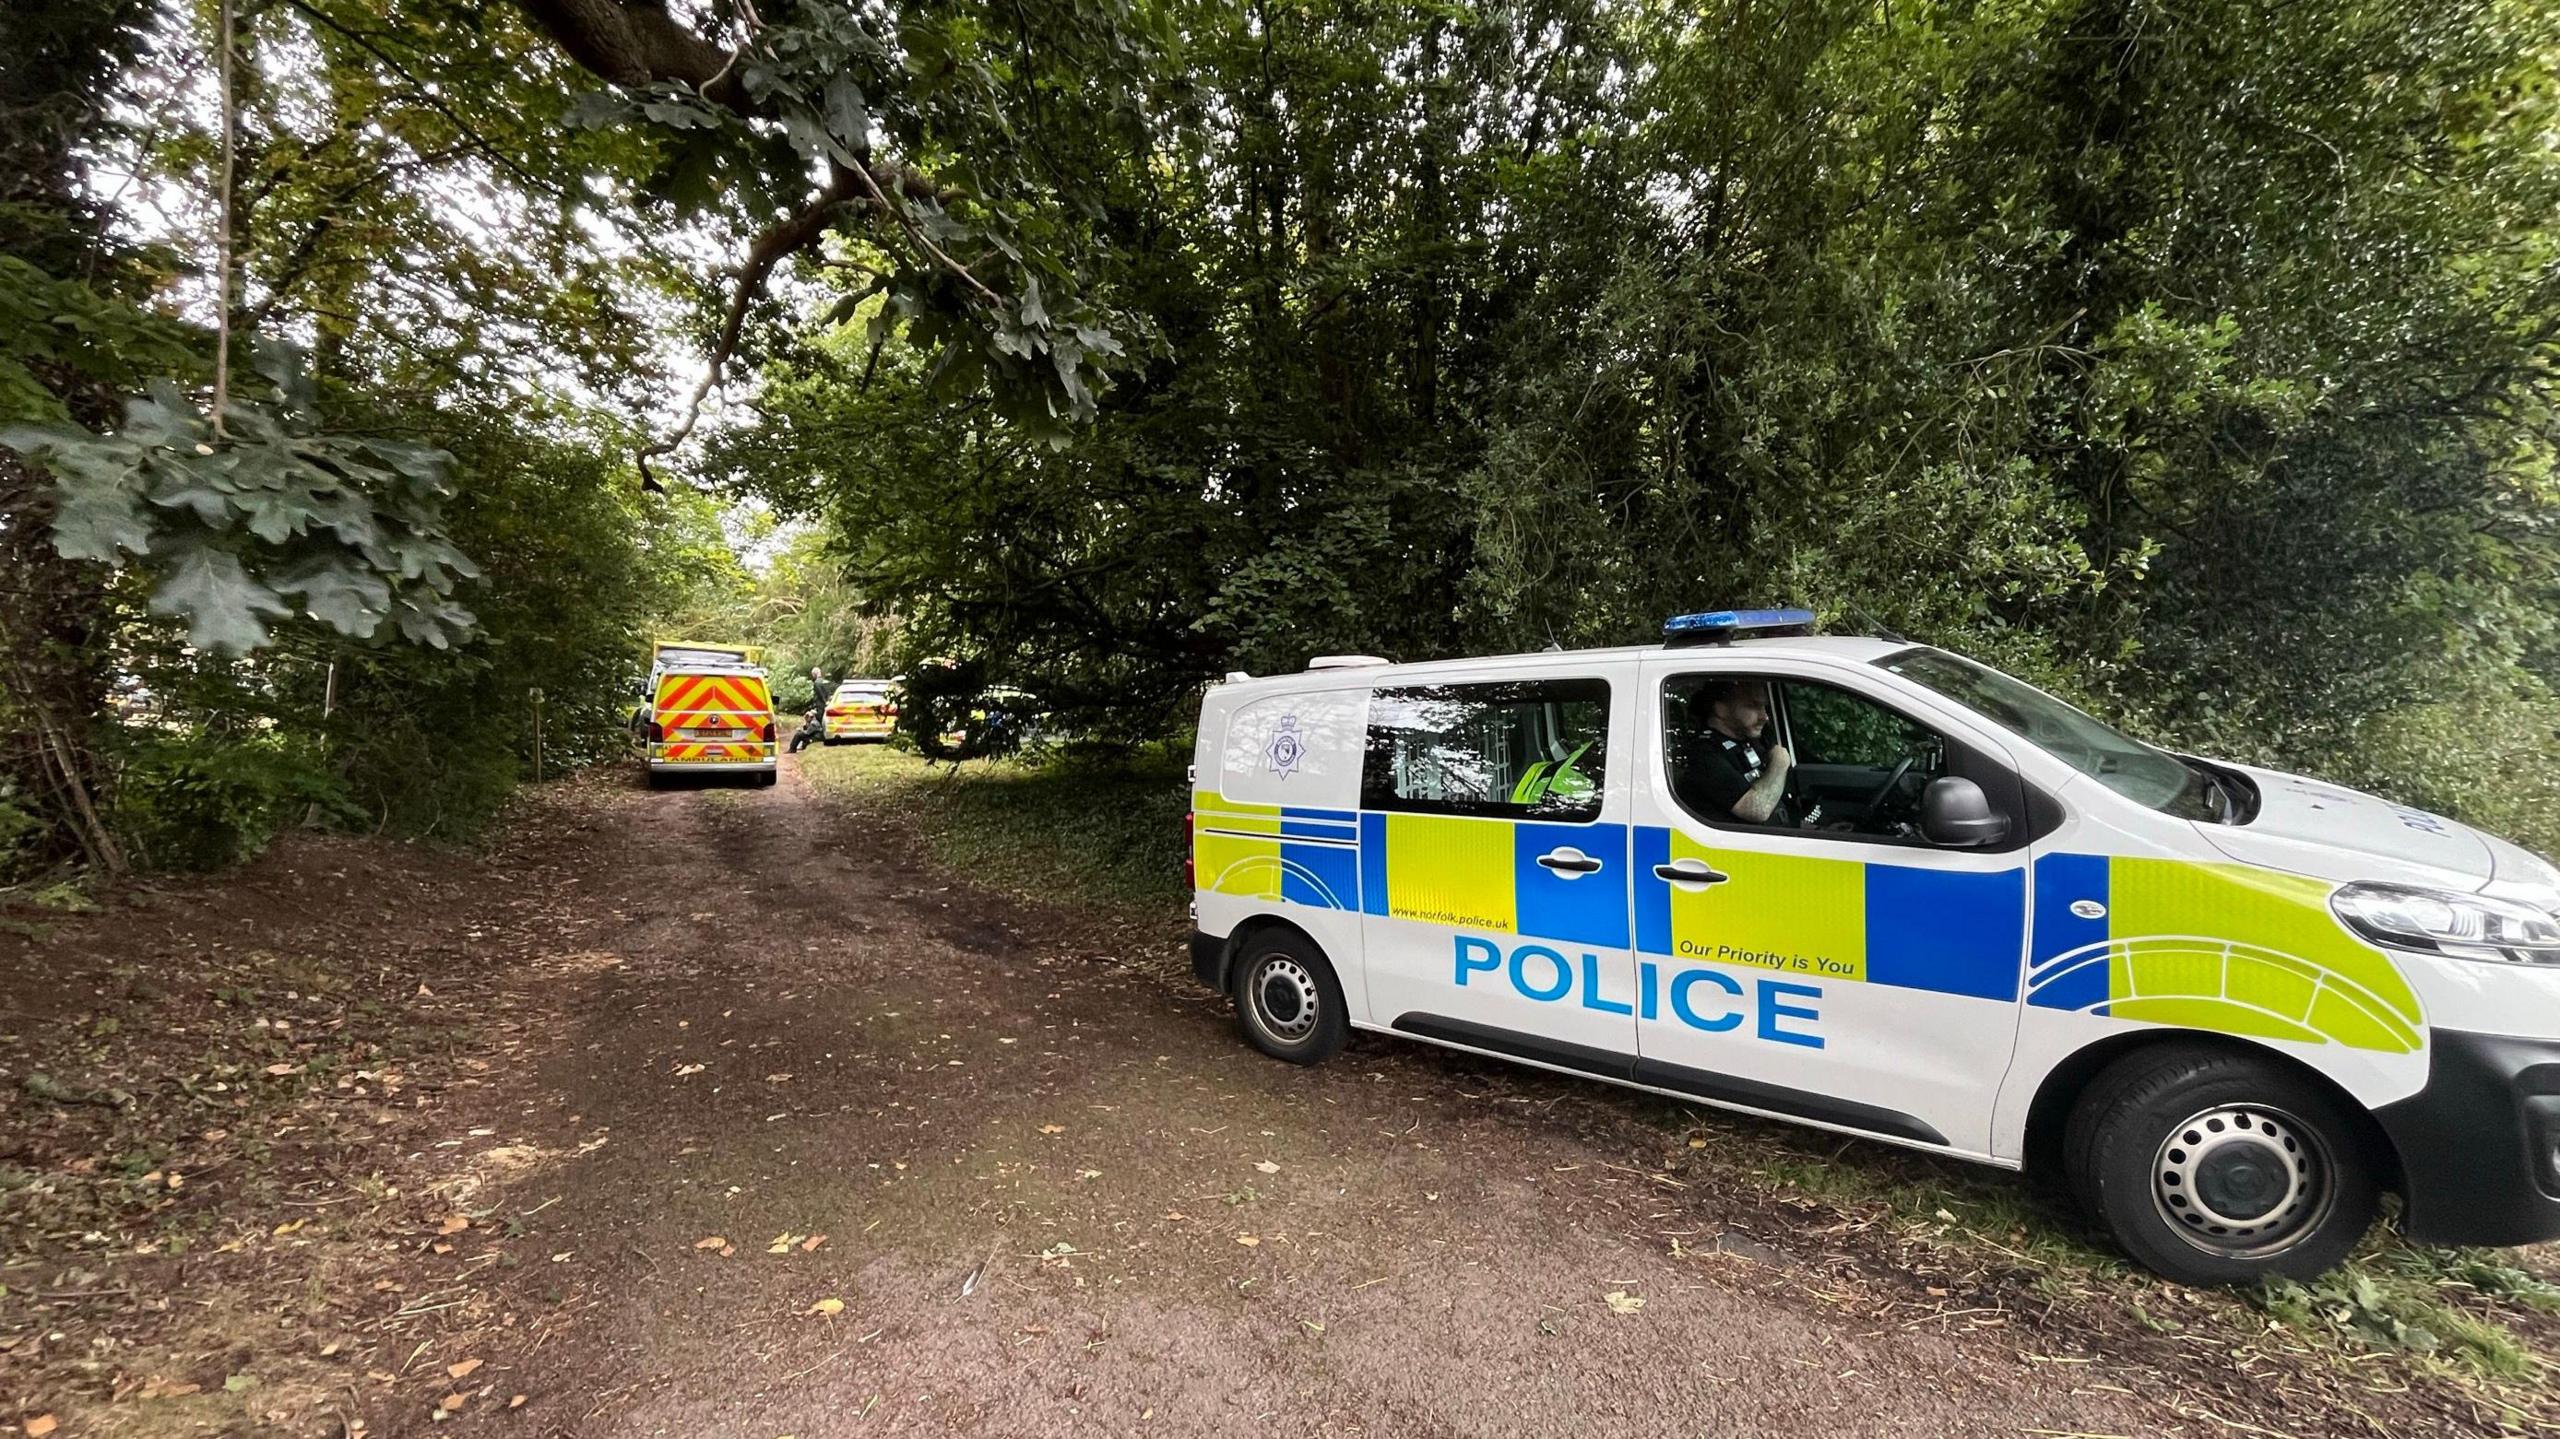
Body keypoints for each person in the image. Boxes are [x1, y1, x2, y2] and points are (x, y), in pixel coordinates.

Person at [1681, 678, 1818, 827]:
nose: (1764, 716)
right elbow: (1757, 810)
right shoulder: (1704, 754)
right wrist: (1780, 762)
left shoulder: (1753, 741)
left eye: (1764, 707)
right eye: (1753, 706)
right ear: (1720, 709)